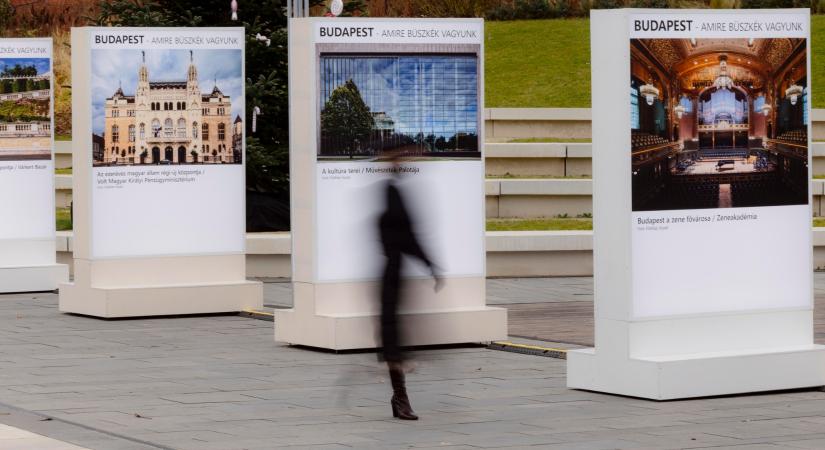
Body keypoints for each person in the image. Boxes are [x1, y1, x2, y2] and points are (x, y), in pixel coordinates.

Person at [377, 160, 442, 421]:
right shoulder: (391, 197)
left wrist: (428, 263)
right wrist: (429, 264)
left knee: (394, 334)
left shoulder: (391, 195)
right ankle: (400, 397)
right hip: (392, 273)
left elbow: (406, 236)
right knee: (393, 335)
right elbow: (408, 236)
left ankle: (400, 396)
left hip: (394, 272)